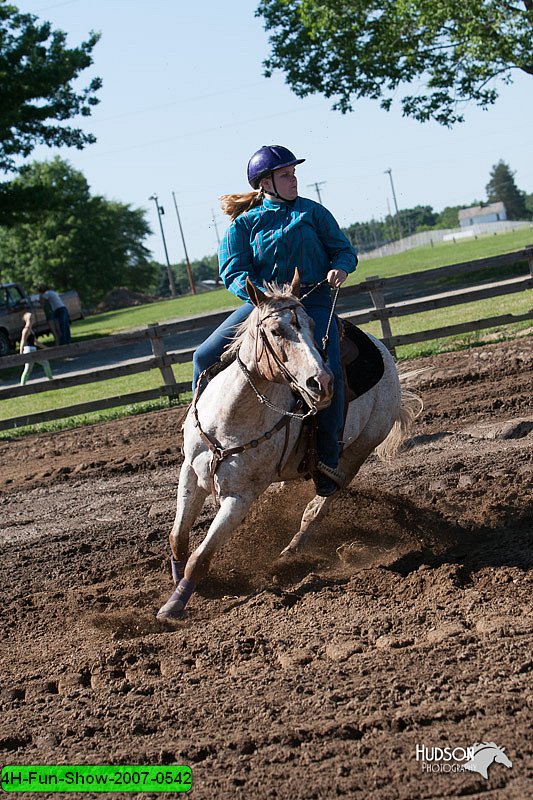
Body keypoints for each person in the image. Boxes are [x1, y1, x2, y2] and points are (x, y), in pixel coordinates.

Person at [193, 145, 358, 496]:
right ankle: (199, 434)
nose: (293, 179)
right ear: (265, 183)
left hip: (312, 301)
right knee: (203, 356)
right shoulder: (244, 225)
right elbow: (233, 271)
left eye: (294, 173)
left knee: (327, 366)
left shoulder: (313, 213)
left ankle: (329, 457)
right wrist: (257, 295)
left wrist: (340, 266)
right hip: (265, 307)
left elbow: (343, 249)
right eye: (286, 175)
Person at [19, 311, 53, 385]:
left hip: (33, 350)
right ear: (26, 319)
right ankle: (22, 386)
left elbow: (36, 342)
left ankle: (51, 379)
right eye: (30, 318)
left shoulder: (31, 330)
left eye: (33, 318)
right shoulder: (26, 329)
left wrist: (45, 348)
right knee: (28, 369)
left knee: (44, 363)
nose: (32, 319)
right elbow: (22, 341)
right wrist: (21, 353)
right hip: (28, 350)